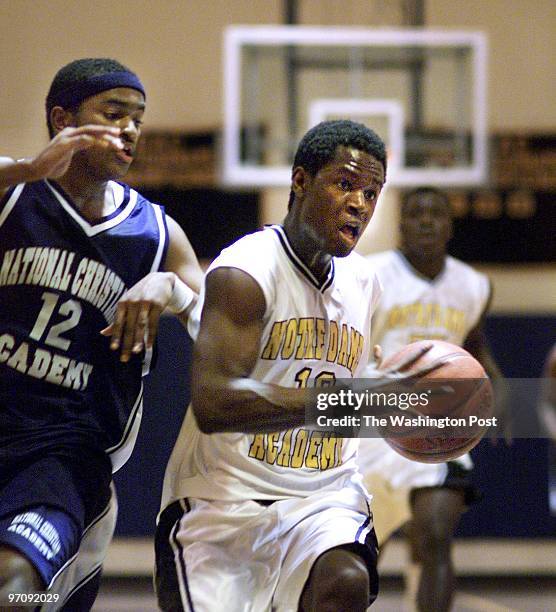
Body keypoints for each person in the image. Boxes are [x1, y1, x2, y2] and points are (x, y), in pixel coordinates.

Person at [154, 120, 446, 612]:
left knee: (345, 582)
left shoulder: (363, 281)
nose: (360, 203)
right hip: (223, 502)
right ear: (300, 180)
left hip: (323, 499)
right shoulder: (244, 271)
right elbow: (215, 402)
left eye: (372, 193)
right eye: (345, 184)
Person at [0, 58, 202, 610]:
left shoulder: (155, 232)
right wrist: (25, 170)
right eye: (114, 115)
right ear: (62, 119)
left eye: (139, 119)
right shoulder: (13, 195)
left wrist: (169, 290)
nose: (131, 130)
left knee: (11, 590)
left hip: (63, 458)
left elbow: (216, 323)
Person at [358, 186, 504, 612]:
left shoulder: (474, 285)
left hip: (441, 422)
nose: (425, 221)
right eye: (415, 214)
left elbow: (473, 343)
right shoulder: (370, 273)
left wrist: (497, 385)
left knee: (436, 535)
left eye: (435, 214)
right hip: (373, 422)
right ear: (400, 225)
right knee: (361, 550)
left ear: (449, 225)